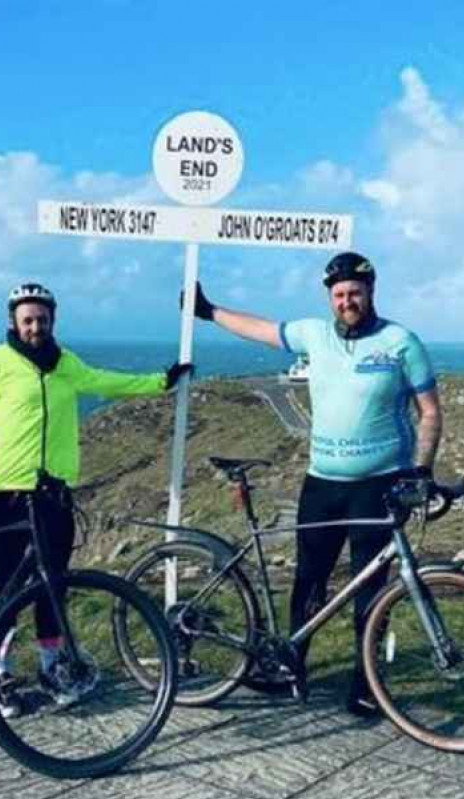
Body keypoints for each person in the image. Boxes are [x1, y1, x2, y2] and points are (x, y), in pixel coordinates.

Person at [189, 253, 442, 715]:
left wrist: (420, 472)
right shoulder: (314, 334)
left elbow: (429, 411)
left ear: (370, 293)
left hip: (380, 485)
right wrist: (209, 312)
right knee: (309, 580)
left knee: (373, 591)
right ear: (330, 297)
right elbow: (263, 330)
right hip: (322, 484)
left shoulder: (401, 342)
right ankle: (290, 668)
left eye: (355, 293)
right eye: (339, 294)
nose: (347, 301)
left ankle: (366, 685)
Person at [0, 282, 192, 709]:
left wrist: (161, 382)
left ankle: (52, 667)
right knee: (7, 588)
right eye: (27, 319)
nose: (35, 327)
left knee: (53, 585)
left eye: (42, 319)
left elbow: (108, 382)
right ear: (13, 321)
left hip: (54, 496)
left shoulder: (66, 364)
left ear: (53, 320)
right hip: (7, 494)